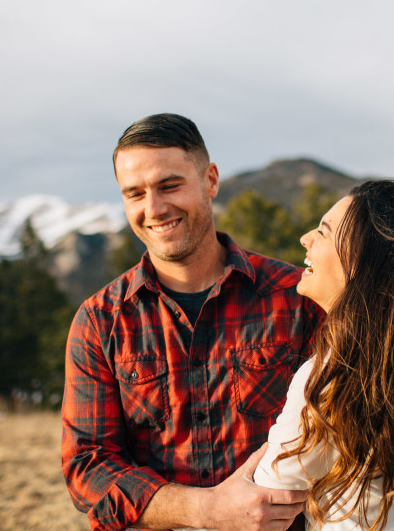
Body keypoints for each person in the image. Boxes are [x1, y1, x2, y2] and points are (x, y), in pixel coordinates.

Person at [60, 113, 323, 531]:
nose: (154, 208)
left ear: (211, 181)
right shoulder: (100, 321)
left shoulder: (298, 298)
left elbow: (351, 428)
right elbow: (88, 465)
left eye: (169, 185)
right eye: (135, 193)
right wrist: (205, 510)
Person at [253, 180, 394, 530]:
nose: (306, 238)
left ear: (360, 262)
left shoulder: (329, 377)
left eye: (324, 232)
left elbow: (269, 494)